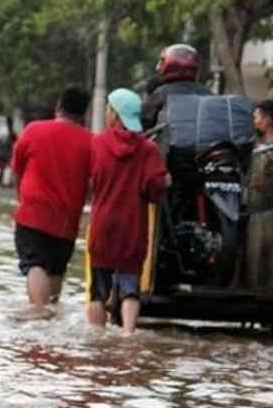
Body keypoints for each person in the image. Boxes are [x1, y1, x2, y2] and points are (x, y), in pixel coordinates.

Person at [86, 89, 169, 335]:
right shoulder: (148, 149)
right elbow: (154, 186)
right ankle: (128, 335)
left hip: (103, 224)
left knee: (98, 291)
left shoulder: (97, 143)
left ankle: (97, 337)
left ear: (113, 113)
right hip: (133, 226)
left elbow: (91, 180)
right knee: (130, 286)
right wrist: (166, 182)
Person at [11, 87, 92, 309]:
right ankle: (51, 316)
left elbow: (17, 169)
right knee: (56, 270)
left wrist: (20, 196)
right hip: (67, 219)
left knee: (34, 264)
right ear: (84, 114)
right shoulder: (90, 141)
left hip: (33, 214)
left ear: (58, 106)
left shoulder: (33, 130)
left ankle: (38, 314)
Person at [141, 43, 211, 131]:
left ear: (169, 65)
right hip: (206, 143)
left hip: (169, 143)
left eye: (162, 61)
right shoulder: (208, 93)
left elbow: (142, 121)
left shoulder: (161, 94)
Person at [246, 100, 273, 287]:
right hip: (256, 210)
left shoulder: (268, 150)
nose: (254, 121)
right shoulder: (258, 145)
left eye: (256, 117)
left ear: (268, 119)